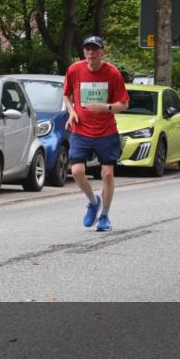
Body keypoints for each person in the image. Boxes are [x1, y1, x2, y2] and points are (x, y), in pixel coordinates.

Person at [62, 36, 129, 232]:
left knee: (107, 174)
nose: (91, 53)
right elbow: (66, 95)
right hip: (81, 129)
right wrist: (72, 112)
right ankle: (93, 201)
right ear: (84, 52)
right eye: (87, 49)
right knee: (77, 171)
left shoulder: (113, 73)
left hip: (106, 131)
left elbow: (124, 104)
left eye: (95, 49)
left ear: (102, 52)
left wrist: (106, 107)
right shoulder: (75, 70)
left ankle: (105, 216)